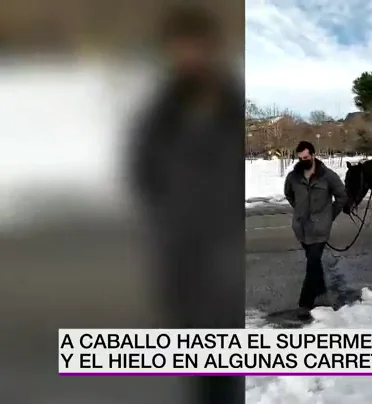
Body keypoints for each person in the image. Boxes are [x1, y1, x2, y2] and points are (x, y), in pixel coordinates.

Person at [128, 4, 243, 403]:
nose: (188, 56)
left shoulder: (233, 104)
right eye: (179, 47)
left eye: (196, 46)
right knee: (196, 367)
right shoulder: (160, 111)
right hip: (182, 257)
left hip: (226, 259)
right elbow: (142, 173)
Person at [284, 141, 347, 319]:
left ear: (313, 155)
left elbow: (342, 196)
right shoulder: (293, 177)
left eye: (305, 157)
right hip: (301, 229)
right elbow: (289, 194)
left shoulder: (327, 176)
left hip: (320, 228)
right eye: (300, 158)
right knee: (314, 261)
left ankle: (305, 303)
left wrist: (330, 215)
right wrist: (298, 210)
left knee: (312, 262)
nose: (303, 160)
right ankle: (321, 290)